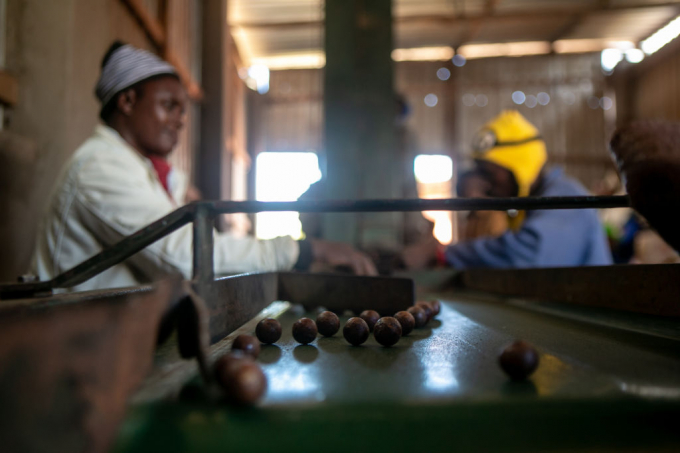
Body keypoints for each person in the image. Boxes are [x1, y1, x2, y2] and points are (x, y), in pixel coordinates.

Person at [31, 42, 376, 292]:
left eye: (182, 111)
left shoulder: (143, 171)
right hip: (77, 346)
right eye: (169, 106)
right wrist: (303, 249)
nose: (180, 120)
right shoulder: (101, 168)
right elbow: (184, 256)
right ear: (127, 101)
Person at [403, 110, 613, 269]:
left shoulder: (567, 196)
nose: (487, 184)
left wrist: (442, 254)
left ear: (520, 168)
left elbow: (527, 254)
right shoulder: (528, 207)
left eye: (491, 173)